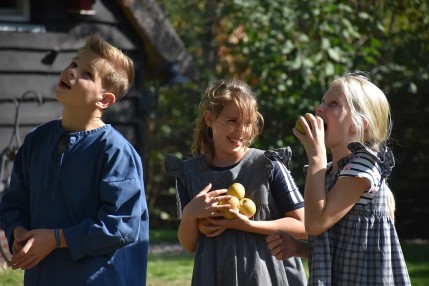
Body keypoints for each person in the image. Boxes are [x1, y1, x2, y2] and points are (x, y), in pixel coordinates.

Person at [0, 34, 149, 285]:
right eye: (73, 64)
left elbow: (121, 226)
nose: (71, 71)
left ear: (105, 99)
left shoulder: (115, 152)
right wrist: (19, 231)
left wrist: (57, 239)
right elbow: (14, 203)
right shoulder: (36, 140)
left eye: (87, 73)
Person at [267, 72, 411, 285]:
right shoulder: (330, 173)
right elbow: (335, 241)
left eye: (333, 104)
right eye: (322, 101)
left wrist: (315, 155)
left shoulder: (364, 166)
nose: (319, 108)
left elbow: (315, 224)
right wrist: (298, 248)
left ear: (358, 124)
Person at [165, 79, 307, 286]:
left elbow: (303, 225)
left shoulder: (268, 166)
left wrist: (249, 225)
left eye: (248, 123)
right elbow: (189, 245)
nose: (241, 130)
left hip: (266, 276)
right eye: (232, 121)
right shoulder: (190, 173)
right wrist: (190, 213)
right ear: (209, 118)